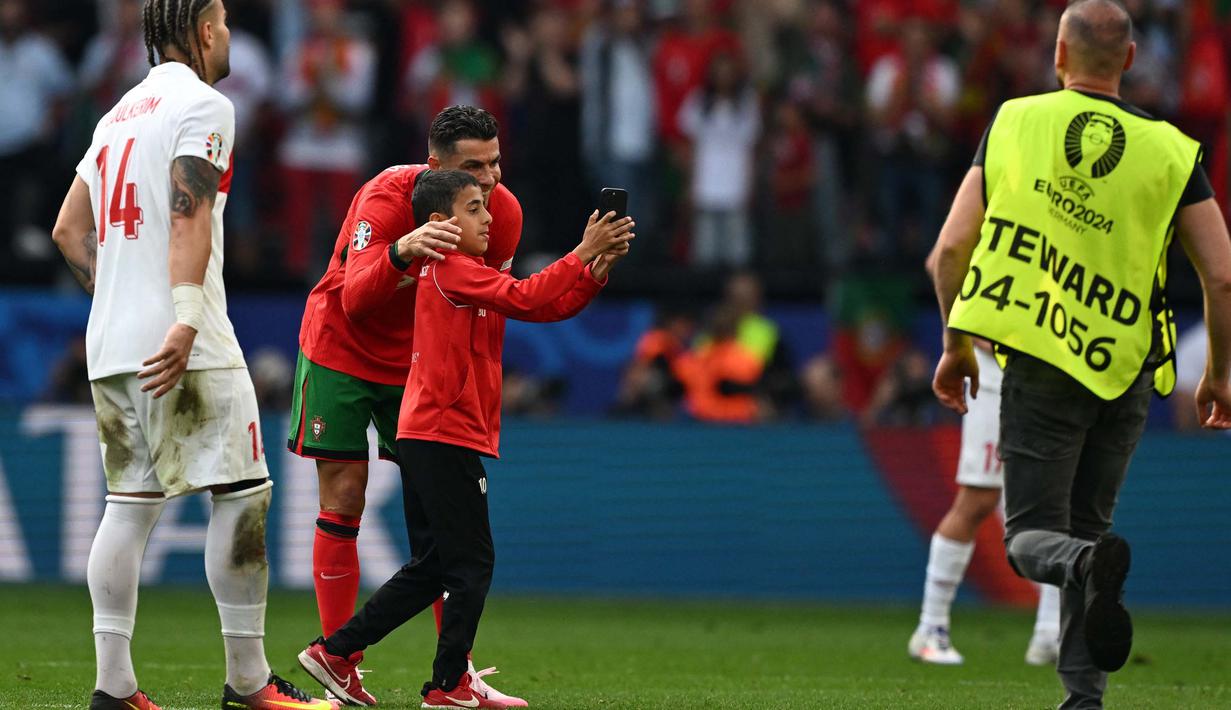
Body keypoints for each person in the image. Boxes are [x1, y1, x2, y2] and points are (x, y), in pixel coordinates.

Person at [929, 2, 1231, 707]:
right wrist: (1218, 372)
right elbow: (1219, 273)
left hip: (1036, 362)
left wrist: (953, 343)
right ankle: (1082, 700)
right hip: (1123, 368)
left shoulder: (1013, 122)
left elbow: (948, 249)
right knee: (1088, 531)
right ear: (1128, 61)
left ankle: (1087, 571)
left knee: (1035, 540)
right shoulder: (1172, 149)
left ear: (1057, 54)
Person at [50, 1, 333, 708]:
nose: (232, 35)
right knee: (241, 495)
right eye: (227, 23)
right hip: (187, 339)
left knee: (128, 506)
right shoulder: (205, 104)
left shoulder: (115, 116)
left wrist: (116, 294)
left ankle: (113, 688)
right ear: (205, 31)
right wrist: (178, 318)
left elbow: (66, 228)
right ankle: (249, 683)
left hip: (110, 343)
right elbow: (189, 210)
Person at [298, 170, 633, 707]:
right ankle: (439, 681)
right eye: (475, 208)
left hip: (436, 430)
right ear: (441, 222)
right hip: (440, 430)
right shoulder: (451, 268)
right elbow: (526, 296)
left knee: (438, 564)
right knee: (470, 563)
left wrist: (592, 273)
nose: (489, 217)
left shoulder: (464, 271)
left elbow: (545, 306)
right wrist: (580, 252)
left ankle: (346, 656)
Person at [907, 336, 1061, 666]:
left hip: (1054, 368)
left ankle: (1050, 633)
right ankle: (930, 627)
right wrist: (965, 329)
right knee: (979, 498)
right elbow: (945, 280)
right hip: (994, 374)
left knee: (1060, 498)